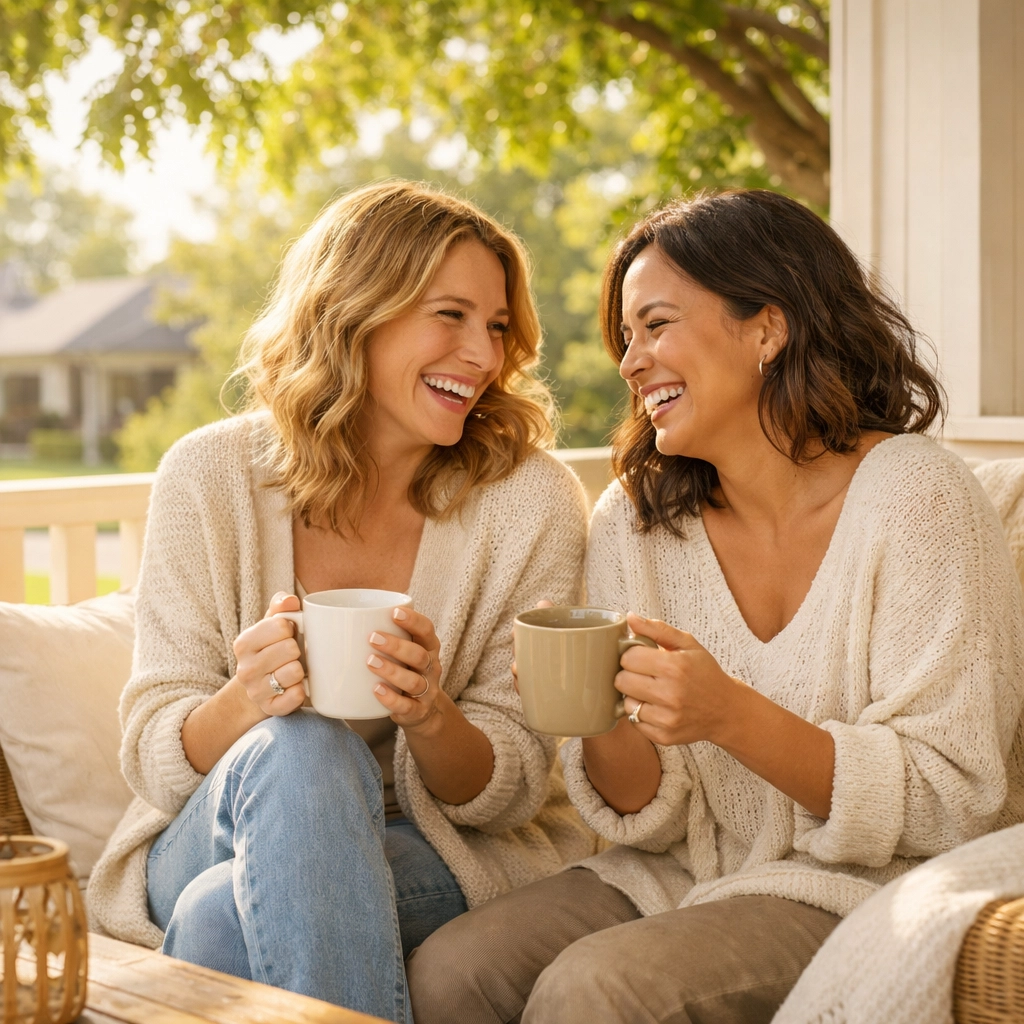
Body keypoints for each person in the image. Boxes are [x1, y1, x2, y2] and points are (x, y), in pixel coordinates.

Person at [407, 189, 1024, 1024]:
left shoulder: (919, 497)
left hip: (865, 887)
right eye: (626, 338)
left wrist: (730, 715)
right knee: (451, 973)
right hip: (680, 872)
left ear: (767, 328)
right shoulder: (635, 519)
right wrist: (599, 716)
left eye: (656, 326)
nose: (631, 363)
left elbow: (954, 798)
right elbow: (647, 820)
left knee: (596, 989)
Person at [87, 180, 597, 1024]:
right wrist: (247, 698)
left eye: (498, 326)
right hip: (213, 825)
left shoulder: (527, 501)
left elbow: (510, 787)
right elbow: (154, 755)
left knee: (218, 918)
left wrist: (430, 713)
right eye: (451, 315)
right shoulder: (208, 478)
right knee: (304, 746)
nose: (482, 354)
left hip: (436, 841)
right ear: (356, 312)